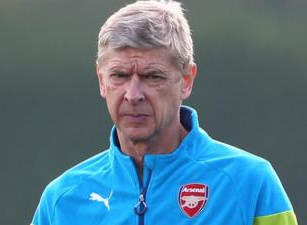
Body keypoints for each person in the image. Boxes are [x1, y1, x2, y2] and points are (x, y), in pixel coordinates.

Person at [30, 1, 298, 225]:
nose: (133, 94)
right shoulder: (61, 200)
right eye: (119, 75)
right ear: (101, 80)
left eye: (152, 76)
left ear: (186, 80)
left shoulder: (250, 183)